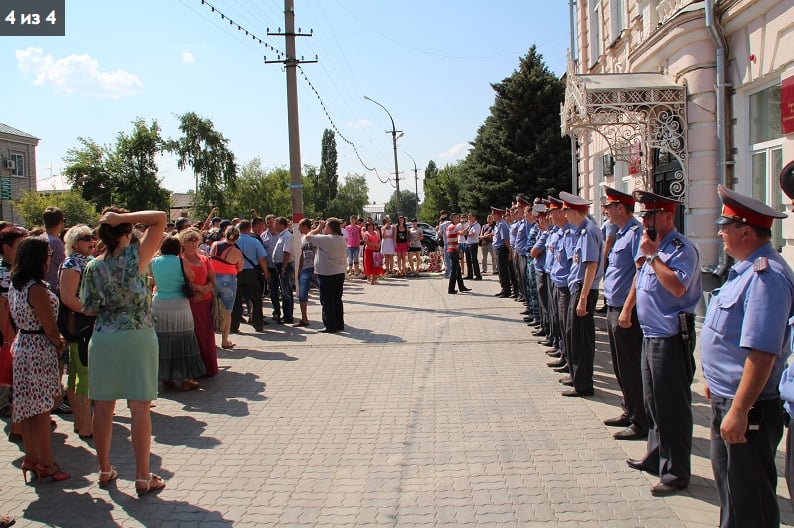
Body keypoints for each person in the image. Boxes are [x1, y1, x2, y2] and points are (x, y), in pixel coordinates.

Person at [701, 185, 792, 527]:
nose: (720, 231)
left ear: (746, 230)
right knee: (733, 496)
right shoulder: (742, 271)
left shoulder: (766, 277)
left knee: (750, 503)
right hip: (729, 399)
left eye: (725, 225)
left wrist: (739, 409)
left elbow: (762, 353)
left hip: (748, 408)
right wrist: (714, 380)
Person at [80, 207, 167, 494]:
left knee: (103, 407)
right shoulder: (135, 256)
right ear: (126, 231)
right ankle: (142, 476)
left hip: (104, 337)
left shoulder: (93, 266)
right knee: (139, 407)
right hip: (137, 335)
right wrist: (123, 218)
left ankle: (104, 469)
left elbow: (88, 308)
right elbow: (159, 218)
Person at [623, 191, 701, 497]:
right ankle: (655, 456)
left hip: (671, 337)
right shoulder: (651, 245)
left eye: (650, 216)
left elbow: (678, 287)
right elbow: (641, 279)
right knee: (653, 402)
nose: (645, 221)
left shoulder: (681, 249)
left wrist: (654, 257)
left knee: (672, 408)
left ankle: (676, 473)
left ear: (668, 216)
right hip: (651, 333)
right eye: (643, 216)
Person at [9, 237, 69, 483]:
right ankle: (47, 462)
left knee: (29, 410)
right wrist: (58, 344)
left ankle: (32, 457)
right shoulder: (36, 288)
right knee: (42, 410)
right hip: (38, 349)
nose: (50, 259)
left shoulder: (17, 284)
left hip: (23, 345)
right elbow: (50, 327)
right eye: (47, 255)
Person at [600, 188, 648, 440]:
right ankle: (628, 409)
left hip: (626, 311)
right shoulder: (620, 233)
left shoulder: (635, 233)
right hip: (614, 306)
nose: (605, 211)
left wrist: (628, 308)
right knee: (619, 365)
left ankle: (641, 421)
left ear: (621, 208)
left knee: (631, 366)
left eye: (609, 206)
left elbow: (640, 275)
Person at [559, 191, 603, 398]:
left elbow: (591, 266)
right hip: (578, 289)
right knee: (574, 336)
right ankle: (577, 377)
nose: (564, 215)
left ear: (575, 211)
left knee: (582, 339)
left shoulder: (588, 232)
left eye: (566, 210)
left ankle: (584, 384)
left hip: (583, 291)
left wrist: (583, 298)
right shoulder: (581, 231)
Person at [150, 235, 206, 391]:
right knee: (183, 340)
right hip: (179, 303)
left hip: (159, 302)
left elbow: (151, 279)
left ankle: (164, 377)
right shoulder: (181, 261)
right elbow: (192, 277)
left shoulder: (154, 261)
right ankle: (184, 378)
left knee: (162, 340)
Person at [59, 225, 97, 439]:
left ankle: (80, 423)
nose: (91, 241)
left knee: (78, 374)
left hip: (84, 324)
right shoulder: (72, 263)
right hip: (80, 326)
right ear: (74, 243)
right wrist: (92, 311)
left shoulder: (83, 261)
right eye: (85, 238)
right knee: (83, 375)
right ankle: (85, 425)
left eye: (92, 237)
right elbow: (68, 297)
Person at [0, 227, 27, 444]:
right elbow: (4, 308)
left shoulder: (14, 269)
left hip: (16, 335)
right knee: (15, 381)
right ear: (6, 248)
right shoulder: (4, 272)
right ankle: (18, 425)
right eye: (19, 246)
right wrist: (8, 338)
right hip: (11, 335)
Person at [179, 228, 218, 377]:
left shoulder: (204, 259)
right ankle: (192, 370)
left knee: (205, 336)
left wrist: (204, 290)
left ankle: (207, 367)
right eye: (190, 240)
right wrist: (197, 290)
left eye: (195, 239)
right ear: (183, 242)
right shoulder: (179, 260)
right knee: (190, 337)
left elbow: (213, 280)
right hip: (186, 303)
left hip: (204, 302)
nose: (193, 243)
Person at [306, 218, 347, 333]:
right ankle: (339, 324)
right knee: (337, 299)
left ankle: (330, 325)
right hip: (339, 272)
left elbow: (307, 237)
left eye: (325, 226)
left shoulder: (326, 239)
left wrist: (318, 228)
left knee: (327, 300)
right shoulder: (341, 239)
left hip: (327, 273)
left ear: (329, 228)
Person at [209, 225, 244, 350]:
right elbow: (240, 268)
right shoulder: (237, 252)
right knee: (227, 311)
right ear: (237, 238)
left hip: (212, 280)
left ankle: (210, 340)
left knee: (210, 309)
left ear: (224, 233)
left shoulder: (215, 245)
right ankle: (225, 340)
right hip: (228, 282)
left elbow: (210, 260)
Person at [232, 220, 269, 331]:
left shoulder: (232, 242)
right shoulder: (255, 241)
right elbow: (262, 259)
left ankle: (234, 326)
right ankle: (258, 324)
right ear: (249, 229)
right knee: (256, 300)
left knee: (236, 300)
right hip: (252, 273)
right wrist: (266, 272)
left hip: (236, 273)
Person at [273, 217, 295, 324]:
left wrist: (284, 267)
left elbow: (287, 252)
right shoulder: (282, 236)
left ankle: (288, 316)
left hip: (285, 266)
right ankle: (287, 314)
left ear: (281, 225)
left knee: (286, 292)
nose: (274, 226)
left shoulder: (287, 236)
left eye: (276, 224)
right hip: (281, 265)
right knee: (285, 290)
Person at [295, 218, 315, 327]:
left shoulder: (315, 237)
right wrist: (299, 270)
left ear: (305, 226)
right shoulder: (302, 239)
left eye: (299, 226)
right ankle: (304, 319)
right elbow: (302, 255)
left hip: (316, 270)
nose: (298, 228)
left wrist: (317, 269)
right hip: (305, 270)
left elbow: (318, 254)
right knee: (302, 294)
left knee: (325, 295)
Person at [446, 214, 471, 295]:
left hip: (452, 250)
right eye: (457, 217)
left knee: (458, 270)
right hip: (453, 251)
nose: (459, 219)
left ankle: (461, 286)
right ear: (453, 219)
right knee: (454, 271)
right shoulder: (453, 227)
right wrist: (468, 226)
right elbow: (463, 233)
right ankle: (451, 289)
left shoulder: (450, 226)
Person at [492, 207, 512, 297]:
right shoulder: (497, 224)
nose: (492, 216)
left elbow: (506, 239)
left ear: (498, 215)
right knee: (500, 270)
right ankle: (503, 288)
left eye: (494, 214)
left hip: (502, 249)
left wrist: (509, 250)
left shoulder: (502, 225)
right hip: (497, 249)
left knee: (503, 270)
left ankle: (507, 290)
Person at [463, 213, 482, 281]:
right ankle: (470, 274)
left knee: (474, 260)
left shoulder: (477, 225)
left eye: (470, 217)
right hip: (468, 243)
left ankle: (478, 275)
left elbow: (473, 235)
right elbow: (464, 233)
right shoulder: (470, 225)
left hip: (473, 244)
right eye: (468, 217)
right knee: (468, 260)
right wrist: (468, 228)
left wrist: (466, 233)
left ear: (474, 217)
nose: (469, 219)